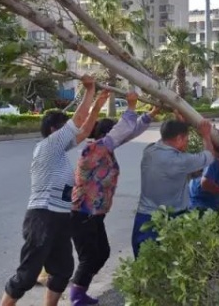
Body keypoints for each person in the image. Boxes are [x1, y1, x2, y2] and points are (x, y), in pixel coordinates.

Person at [0, 76, 109, 306]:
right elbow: (78, 120)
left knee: (62, 270)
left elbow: (84, 129)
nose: (72, 130)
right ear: (54, 130)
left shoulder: (59, 151)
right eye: (65, 126)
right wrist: (89, 90)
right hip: (43, 216)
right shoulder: (48, 147)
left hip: (60, 217)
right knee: (28, 274)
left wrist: (98, 105)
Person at [69, 93, 160, 305]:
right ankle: (76, 296)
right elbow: (122, 131)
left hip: (94, 215)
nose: (120, 140)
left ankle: (79, 289)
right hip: (82, 213)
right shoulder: (95, 149)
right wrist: (131, 106)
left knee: (102, 253)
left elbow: (127, 133)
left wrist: (151, 114)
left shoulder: (105, 150)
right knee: (90, 257)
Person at [131, 115, 216, 258]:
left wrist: (179, 123)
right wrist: (206, 136)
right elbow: (210, 155)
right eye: (186, 140)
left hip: (144, 217)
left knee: (144, 262)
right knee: (173, 262)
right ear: (179, 139)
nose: (187, 144)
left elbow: (170, 139)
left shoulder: (149, 151)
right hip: (171, 218)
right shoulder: (180, 161)